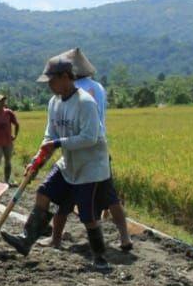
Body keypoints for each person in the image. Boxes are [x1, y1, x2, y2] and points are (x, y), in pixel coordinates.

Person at [2, 58, 115, 271]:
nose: (49, 86)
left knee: (88, 215)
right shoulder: (54, 103)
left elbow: (90, 138)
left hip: (90, 166)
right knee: (43, 192)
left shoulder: (85, 102)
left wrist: (57, 143)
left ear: (65, 77)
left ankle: (100, 257)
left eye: (52, 81)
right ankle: (26, 239)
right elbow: (50, 135)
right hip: (69, 162)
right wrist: (37, 159)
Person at [49, 48, 132, 252]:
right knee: (111, 197)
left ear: (69, 75)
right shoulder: (99, 87)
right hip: (99, 149)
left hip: (82, 150)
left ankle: (57, 239)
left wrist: (59, 142)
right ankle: (125, 237)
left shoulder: (77, 92)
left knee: (68, 199)